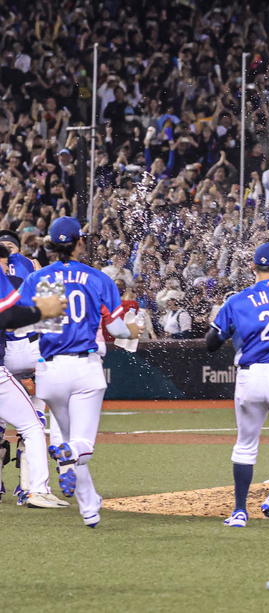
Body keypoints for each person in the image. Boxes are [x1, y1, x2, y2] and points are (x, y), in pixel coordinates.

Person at [19, 218, 140, 526]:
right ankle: (66, 451)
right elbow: (114, 327)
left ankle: (89, 509)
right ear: (78, 242)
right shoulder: (97, 278)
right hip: (84, 367)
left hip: (50, 371)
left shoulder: (40, 277)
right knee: (82, 445)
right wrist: (133, 329)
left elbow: (29, 322)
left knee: (73, 445)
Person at [206, 243, 269, 530]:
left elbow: (211, 344)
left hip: (248, 377)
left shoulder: (237, 300)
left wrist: (222, 323)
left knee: (245, 445)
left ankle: (239, 512)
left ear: (253, 266)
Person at [0, 243, 69, 509]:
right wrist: (43, 310)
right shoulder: (31, 280)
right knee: (33, 425)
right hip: (31, 352)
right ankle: (35, 489)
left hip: (16, 357)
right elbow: (10, 315)